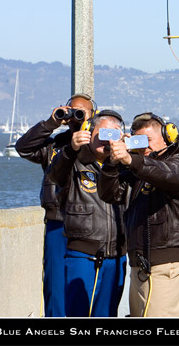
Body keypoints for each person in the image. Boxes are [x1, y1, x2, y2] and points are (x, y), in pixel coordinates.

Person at [98, 112, 179, 317]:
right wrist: (113, 161)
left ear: (167, 136)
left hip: (165, 264)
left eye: (148, 140)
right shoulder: (139, 170)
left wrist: (131, 159)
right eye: (138, 141)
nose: (144, 147)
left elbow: (164, 173)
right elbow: (108, 193)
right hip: (140, 265)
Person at [14, 93, 96, 317]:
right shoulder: (54, 146)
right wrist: (51, 123)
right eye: (71, 112)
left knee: (84, 288)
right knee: (55, 288)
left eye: (82, 113)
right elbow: (24, 148)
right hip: (58, 221)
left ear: (93, 115)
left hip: (89, 225)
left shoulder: (98, 145)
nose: (75, 117)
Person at [46, 109, 129, 317]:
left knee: (107, 315)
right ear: (89, 133)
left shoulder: (125, 166)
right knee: (78, 313)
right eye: (102, 134)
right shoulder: (75, 161)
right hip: (84, 253)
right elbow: (55, 176)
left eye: (113, 135)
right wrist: (71, 149)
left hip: (117, 255)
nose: (106, 142)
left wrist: (130, 155)